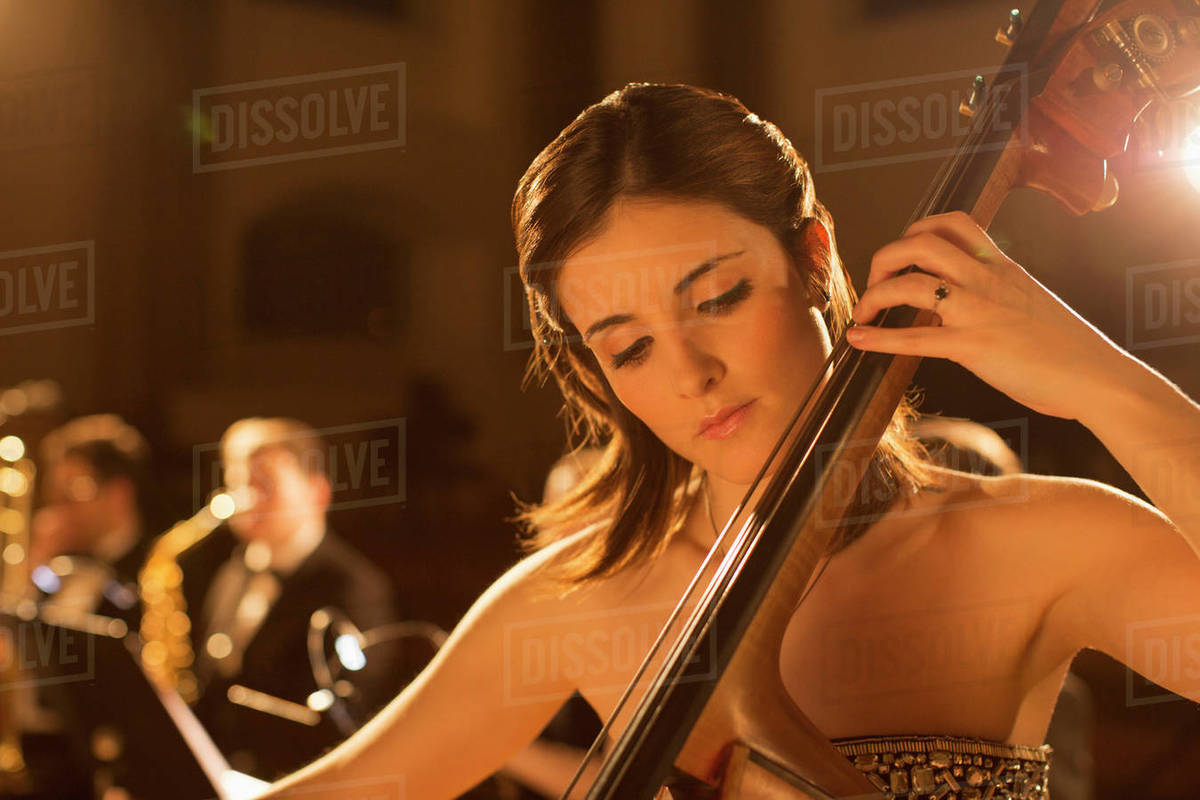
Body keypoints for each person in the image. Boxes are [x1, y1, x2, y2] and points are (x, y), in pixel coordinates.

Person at [253, 83, 1200, 799]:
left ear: (814, 254)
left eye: (718, 298)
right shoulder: (581, 600)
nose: (688, 372)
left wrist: (1103, 380)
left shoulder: (1035, 544)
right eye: (627, 348)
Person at [183, 417, 404, 781]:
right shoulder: (230, 569)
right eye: (238, 483)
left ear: (318, 492)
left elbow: (346, 718)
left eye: (265, 484)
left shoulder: (357, 588)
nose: (245, 499)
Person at [30, 414, 154, 627]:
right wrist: (35, 564)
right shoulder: (56, 569)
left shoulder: (157, 573)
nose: (57, 509)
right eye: (54, 495)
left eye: (72, 493)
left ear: (119, 494)